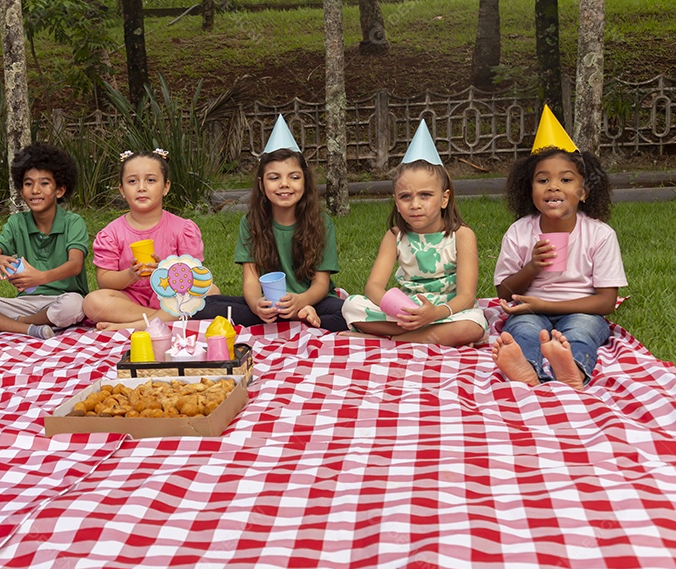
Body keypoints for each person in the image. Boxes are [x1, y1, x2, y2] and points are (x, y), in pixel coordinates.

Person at [491, 106, 626, 390]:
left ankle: (572, 369)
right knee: (524, 330)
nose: (553, 187)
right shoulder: (520, 232)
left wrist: (549, 305)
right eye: (543, 180)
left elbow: (605, 303)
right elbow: (503, 292)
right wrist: (533, 267)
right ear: (530, 190)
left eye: (565, 180)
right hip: (530, 309)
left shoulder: (600, 235)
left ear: (584, 191)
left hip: (583, 309)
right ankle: (526, 369)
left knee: (581, 331)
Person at [341, 121, 487, 345]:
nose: (415, 204)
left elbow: (466, 296)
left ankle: (388, 341)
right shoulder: (395, 236)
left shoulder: (462, 235)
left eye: (425, 195)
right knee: (351, 305)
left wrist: (436, 313)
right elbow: (373, 286)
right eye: (406, 196)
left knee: (472, 326)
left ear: (444, 198)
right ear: (396, 202)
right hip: (404, 308)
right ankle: (415, 337)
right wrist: (400, 310)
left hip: (447, 311)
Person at [197, 116, 346, 329]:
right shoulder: (251, 222)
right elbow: (250, 280)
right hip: (269, 306)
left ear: (305, 180)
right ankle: (301, 321)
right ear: (261, 184)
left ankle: (304, 316)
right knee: (203, 306)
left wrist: (301, 301)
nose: (284, 184)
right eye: (274, 177)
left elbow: (321, 284)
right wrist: (257, 304)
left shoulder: (322, 223)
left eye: (294, 177)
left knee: (348, 312)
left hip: (312, 301)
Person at [0, 142, 88, 339]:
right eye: (28, 183)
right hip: (25, 302)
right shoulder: (17, 222)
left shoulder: (73, 222)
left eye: (44, 183)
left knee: (75, 305)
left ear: (59, 191)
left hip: (62, 300)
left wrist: (40, 278)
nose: (35, 190)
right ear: (21, 191)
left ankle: (16, 324)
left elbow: (75, 265)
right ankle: (30, 329)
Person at [83, 148, 213, 331]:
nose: (141, 187)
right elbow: (104, 280)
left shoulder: (183, 229)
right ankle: (162, 319)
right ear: (121, 189)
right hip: (131, 301)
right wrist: (130, 275)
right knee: (92, 301)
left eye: (150, 180)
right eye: (132, 181)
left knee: (210, 290)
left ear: (166, 187)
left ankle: (136, 325)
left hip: (172, 296)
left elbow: (194, 275)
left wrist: (166, 272)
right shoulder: (111, 233)